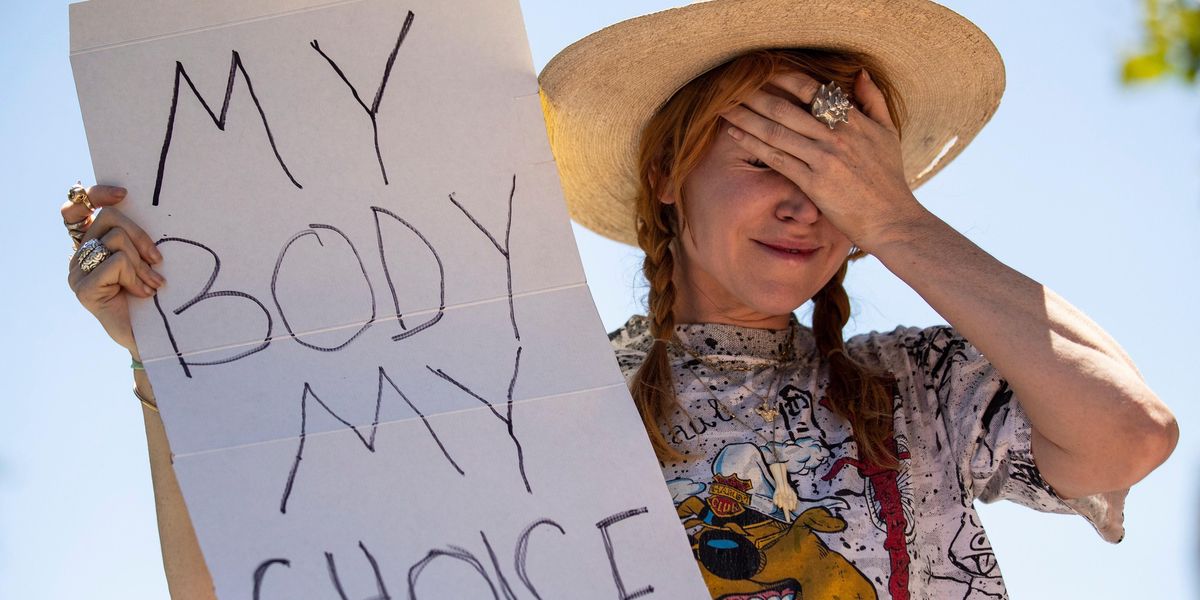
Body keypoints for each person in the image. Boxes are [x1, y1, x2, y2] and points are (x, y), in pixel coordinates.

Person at [64, 0, 1177, 598]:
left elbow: (1129, 434)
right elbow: (236, 588)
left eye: (843, 170)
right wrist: (163, 352)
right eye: (768, 156)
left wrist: (897, 220)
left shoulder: (921, 384)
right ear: (666, 173)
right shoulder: (540, 398)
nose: (808, 202)